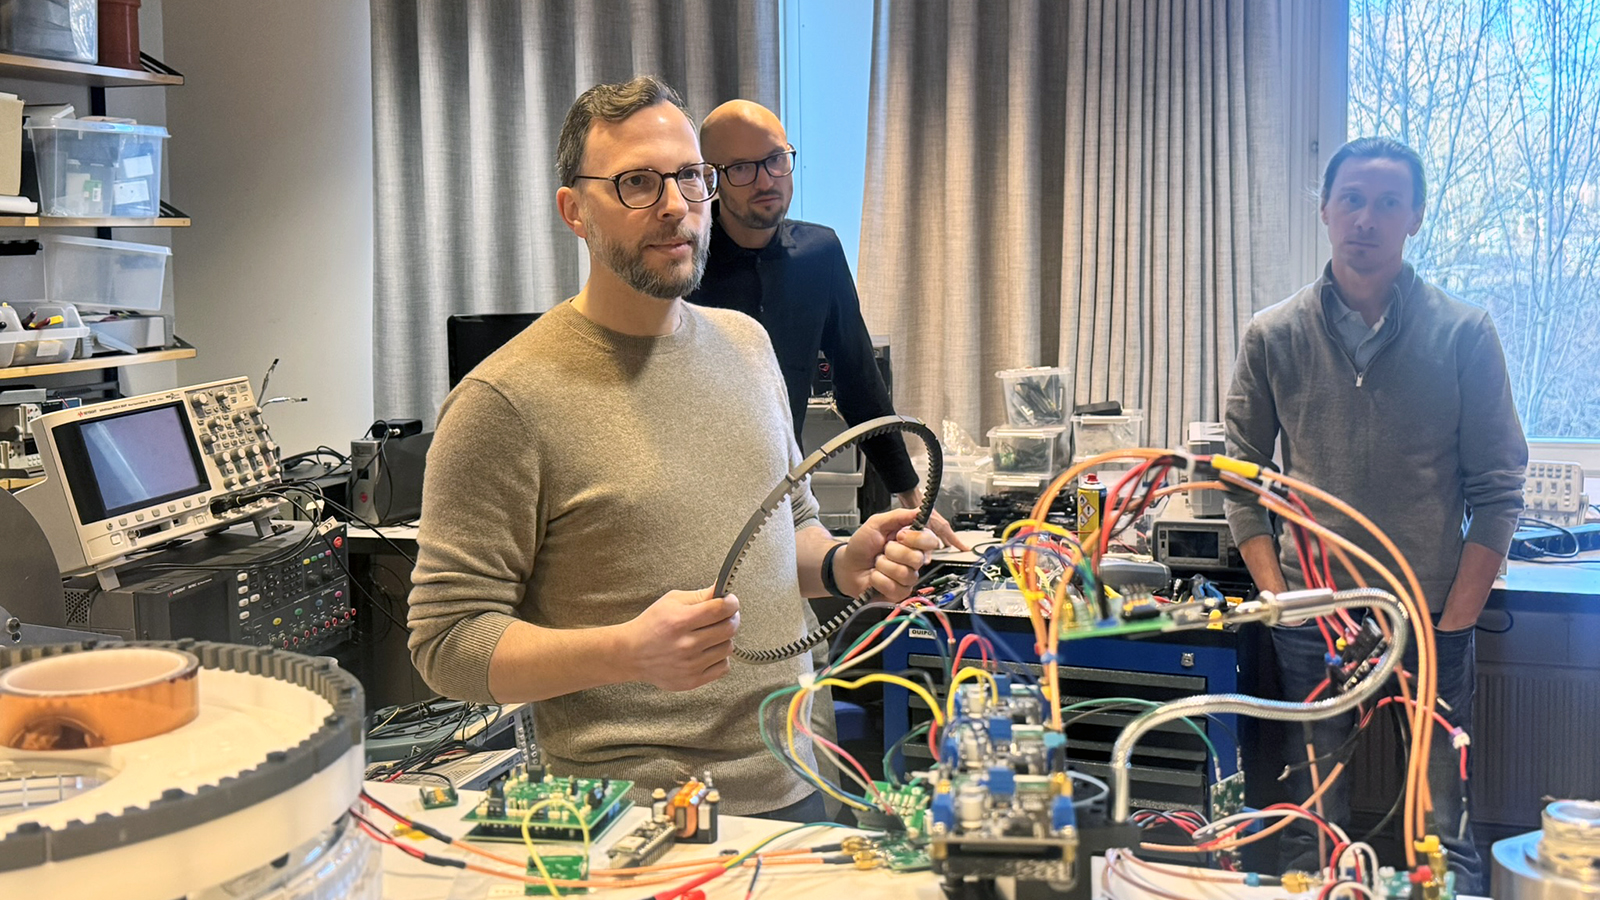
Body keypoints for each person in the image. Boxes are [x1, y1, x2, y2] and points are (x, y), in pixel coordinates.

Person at [406, 76, 940, 821]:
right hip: (640, 825)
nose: (673, 205)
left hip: (802, 781)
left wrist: (842, 562)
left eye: (690, 176)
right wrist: (625, 650)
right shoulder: (504, 402)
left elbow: (786, 531)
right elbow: (447, 645)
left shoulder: (747, 346)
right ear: (574, 212)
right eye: (635, 183)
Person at [1224, 137, 1526, 891]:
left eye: (1389, 201)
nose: (1367, 217)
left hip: (1430, 622)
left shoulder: (1466, 334)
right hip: (1316, 624)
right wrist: (1282, 600)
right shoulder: (1273, 335)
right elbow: (1242, 483)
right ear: (1324, 211)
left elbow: (1499, 488)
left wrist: (1453, 623)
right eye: (1352, 199)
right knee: (1311, 829)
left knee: (1442, 832)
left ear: (1416, 217)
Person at [687, 100, 965, 550]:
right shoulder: (683, 262)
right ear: (712, 178)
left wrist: (911, 491)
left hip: (784, 498)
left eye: (776, 160)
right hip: (692, 503)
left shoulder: (819, 253)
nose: (766, 180)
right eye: (742, 167)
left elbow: (857, 377)